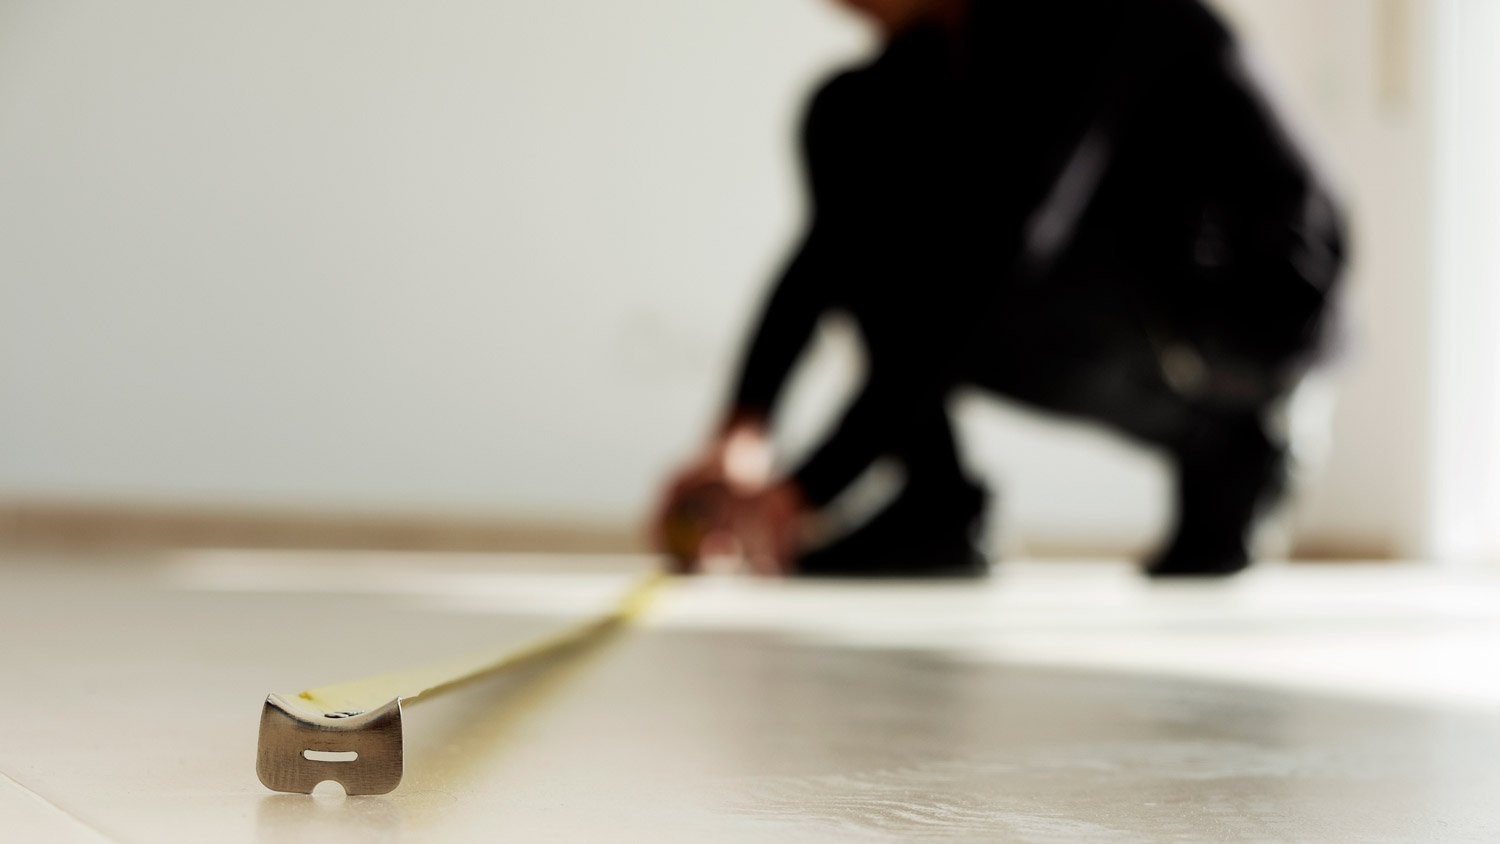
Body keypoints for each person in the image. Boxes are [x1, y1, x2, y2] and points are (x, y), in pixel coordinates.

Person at [653, 0, 1346, 578]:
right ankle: (934, 504)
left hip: (1252, 316)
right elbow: (830, 252)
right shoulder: (925, 64)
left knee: (939, 234)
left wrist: (805, 488)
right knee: (850, 119)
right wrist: (740, 437)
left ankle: (1238, 445)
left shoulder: (1084, 15)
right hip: (1118, 313)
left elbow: (998, 262)